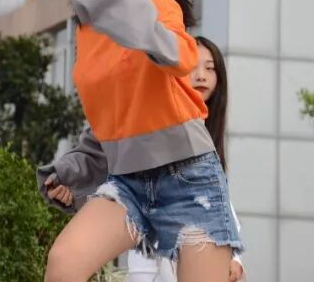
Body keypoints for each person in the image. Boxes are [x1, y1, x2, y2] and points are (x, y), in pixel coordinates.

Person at [40, 0, 243, 282]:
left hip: (188, 176)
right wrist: (73, 169)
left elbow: (180, 57)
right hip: (127, 182)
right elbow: (110, 119)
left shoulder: (159, 7)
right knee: (64, 264)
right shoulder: (87, 32)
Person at [41, 37, 244, 281]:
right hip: (142, 231)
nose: (201, 76)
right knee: (65, 262)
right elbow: (101, 142)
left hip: (191, 234)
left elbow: (218, 199)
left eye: (210, 68)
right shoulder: (146, 94)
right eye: (193, 66)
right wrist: (69, 177)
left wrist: (234, 256)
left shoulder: (207, 147)